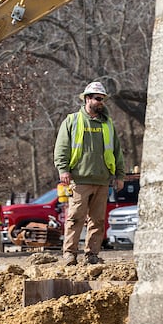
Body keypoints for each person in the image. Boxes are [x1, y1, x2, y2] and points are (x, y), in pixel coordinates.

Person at [54, 80, 126, 265]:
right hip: (79, 179)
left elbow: (117, 151)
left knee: (98, 220)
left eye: (102, 99)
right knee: (75, 217)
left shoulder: (107, 124)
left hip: (102, 180)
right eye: (97, 98)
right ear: (87, 99)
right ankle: (69, 253)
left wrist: (119, 175)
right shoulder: (72, 120)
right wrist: (63, 169)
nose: (100, 102)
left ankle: (92, 255)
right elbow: (61, 147)